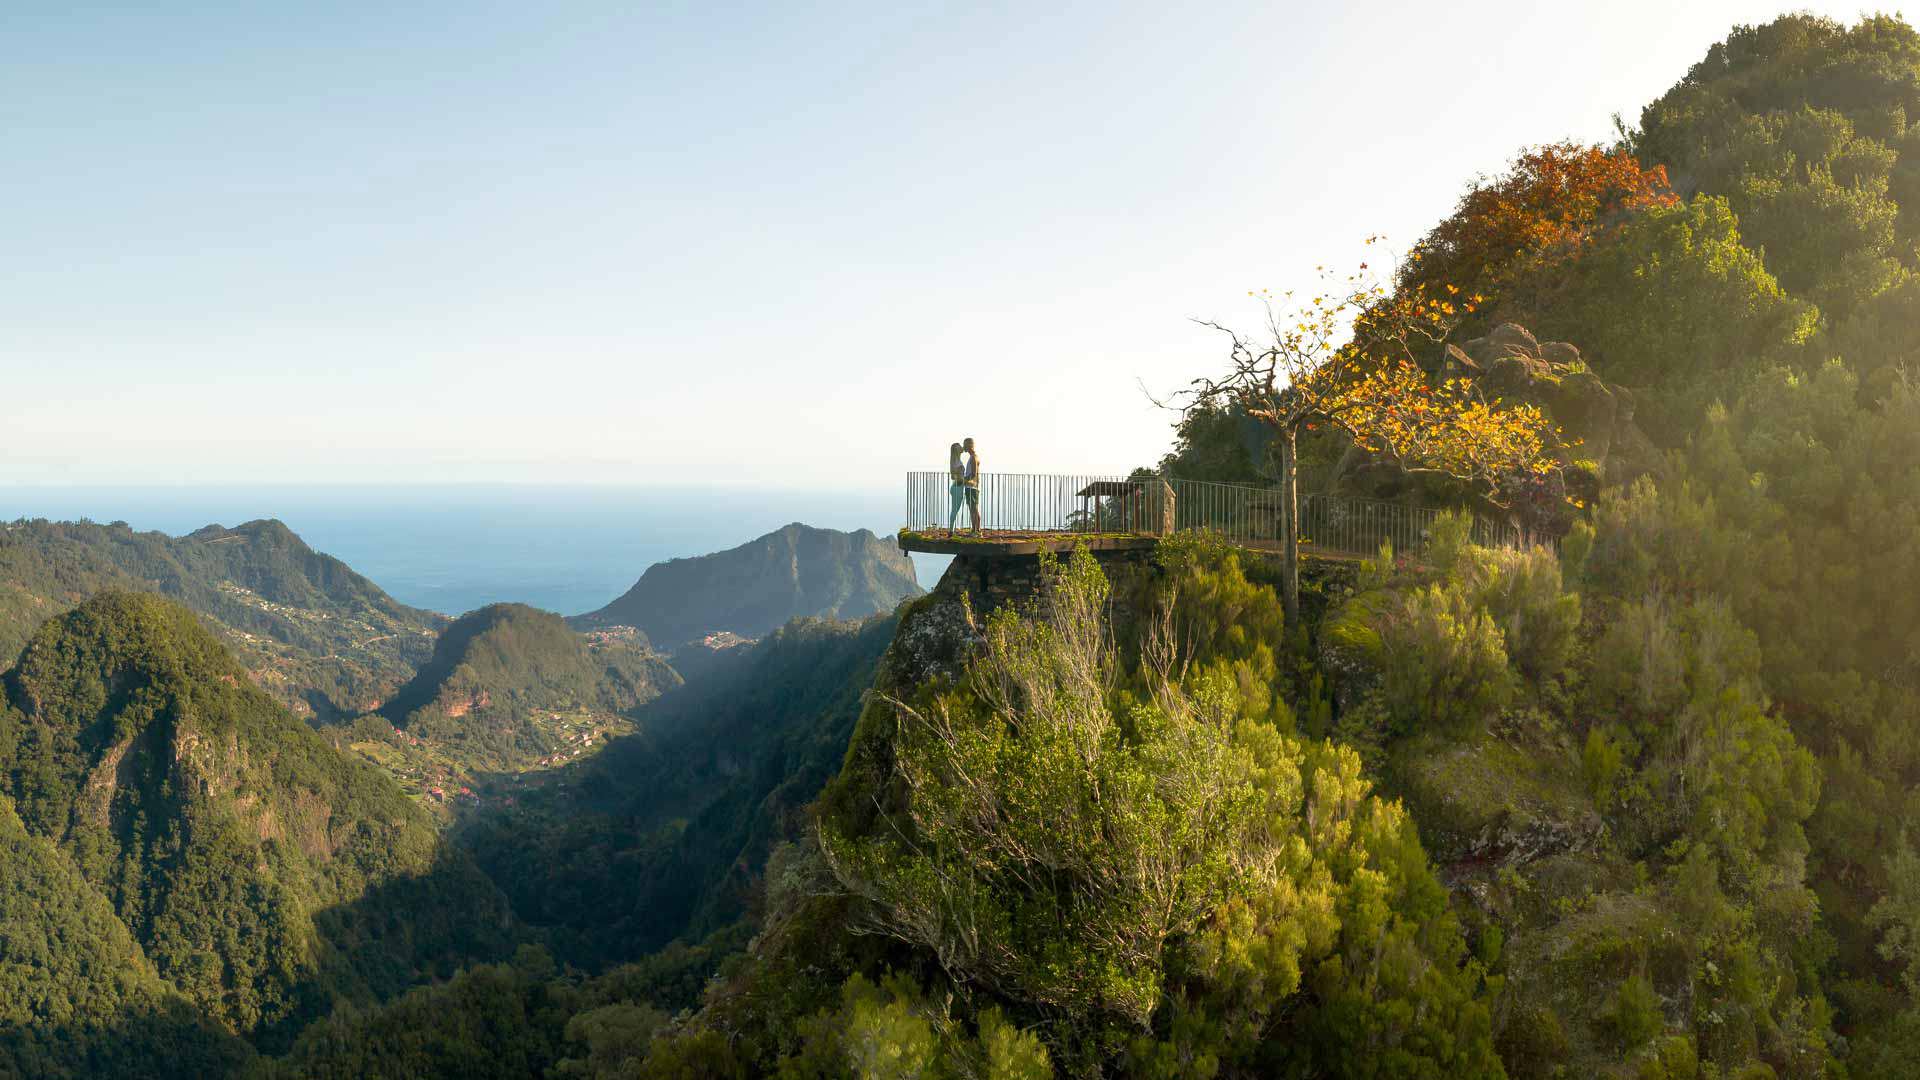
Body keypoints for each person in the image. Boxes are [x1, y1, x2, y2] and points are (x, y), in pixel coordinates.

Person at [961, 436, 981, 535]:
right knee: (974, 508)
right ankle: (976, 529)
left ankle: (975, 530)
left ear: (969, 445)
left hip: (971, 486)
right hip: (972, 486)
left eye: (964, 444)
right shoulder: (973, 457)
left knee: (973, 508)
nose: (963, 446)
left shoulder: (973, 457)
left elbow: (973, 473)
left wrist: (964, 480)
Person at [946, 442, 967, 536]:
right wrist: (965, 479)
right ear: (956, 450)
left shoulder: (955, 460)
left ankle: (952, 529)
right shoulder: (956, 462)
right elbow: (955, 478)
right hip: (957, 487)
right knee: (955, 510)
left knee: (954, 510)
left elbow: (953, 477)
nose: (961, 446)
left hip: (956, 487)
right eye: (959, 446)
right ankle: (950, 531)